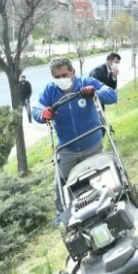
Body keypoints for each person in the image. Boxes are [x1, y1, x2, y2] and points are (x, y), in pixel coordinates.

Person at [32, 57, 117, 215]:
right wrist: (42, 114)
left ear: (73, 72)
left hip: (92, 144)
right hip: (67, 148)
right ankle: (64, 215)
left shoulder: (85, 82)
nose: (61, 79)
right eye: (57, 77)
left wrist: (95, 92)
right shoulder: (50, 91)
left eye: (65, 75)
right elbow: (36, 110)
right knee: (61, 184)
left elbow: (112, 95)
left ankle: (110, 204)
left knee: (100, 178)